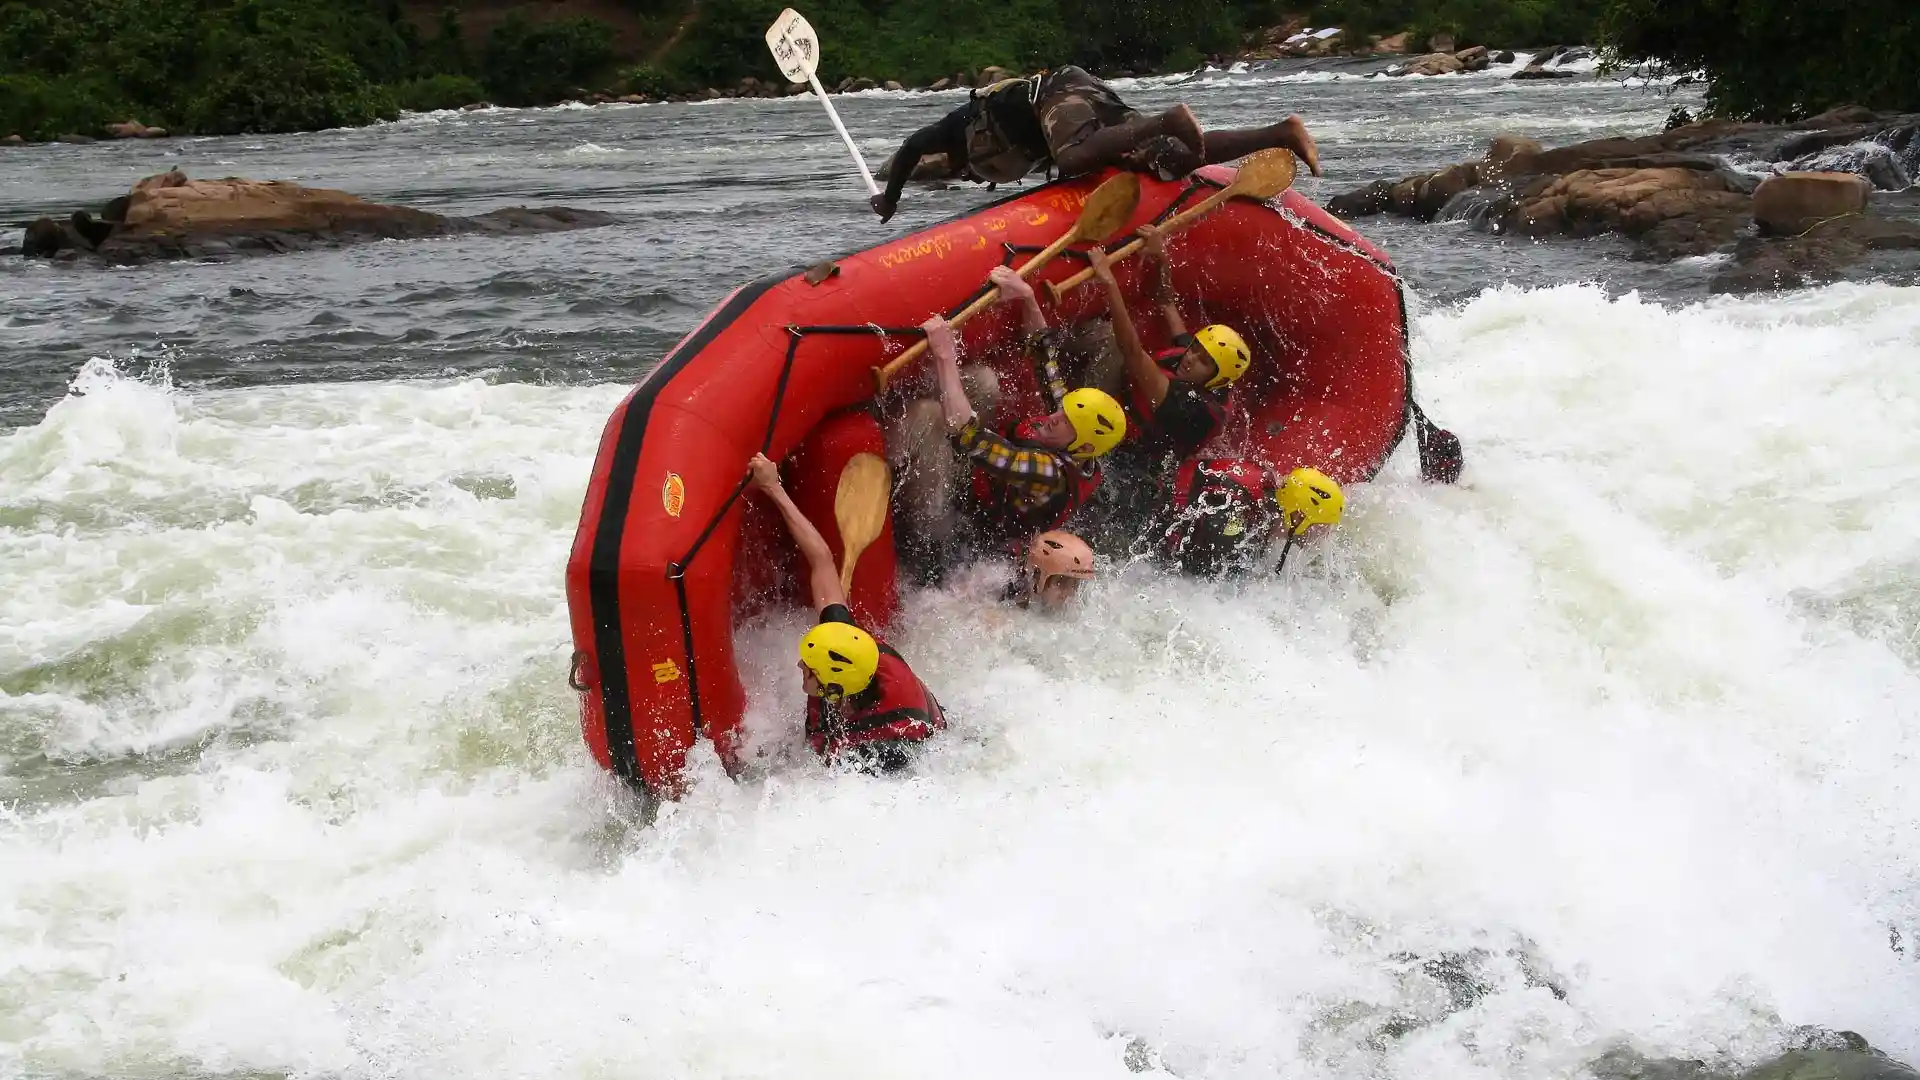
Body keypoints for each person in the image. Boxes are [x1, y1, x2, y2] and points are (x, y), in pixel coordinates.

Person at [889, 269, 1129, 578]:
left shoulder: (1048, 471)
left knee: (927, 414)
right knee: (985, 383)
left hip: (956, 528)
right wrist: (1027, 297)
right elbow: (1047, 361)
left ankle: (901, 501)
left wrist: (945, 354)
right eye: (1062, 413)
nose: (1052, 416)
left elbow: (969, 438)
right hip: (976, 482)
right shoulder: (1075, 436)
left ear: (1081, 445)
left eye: (1063, 421)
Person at [870, 66, 1323, 222]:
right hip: (1084, 99)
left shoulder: (955, 128)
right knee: (1169, 160)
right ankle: (1282, 133)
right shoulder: (970, 153)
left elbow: (910, 148)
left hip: (1055, 93)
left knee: (1071, 160)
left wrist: (889, 199)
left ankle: (1168, 119)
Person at [746, 452, 946, 773]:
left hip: (909, 750)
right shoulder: (842, 642)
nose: (800, 664)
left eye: (809, 668)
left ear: (833, 691)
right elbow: (822, 559)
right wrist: (773, 487)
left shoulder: (889, 742)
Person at [1151, 460, 1345, 577]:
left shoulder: (1268, 496)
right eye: (1322, 526)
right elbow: (1194, 578)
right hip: (1145, 514)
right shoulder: (1236, 518)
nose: (1325, 534)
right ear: (1299, 516)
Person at [1000, 529, 1098, 612]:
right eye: (1062, 582)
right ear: (1037, 578)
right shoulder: (1006, 616)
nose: (1069, 595)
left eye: (1074, 585)